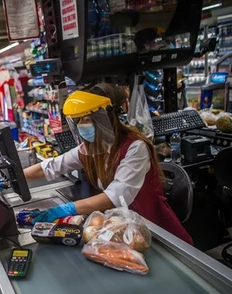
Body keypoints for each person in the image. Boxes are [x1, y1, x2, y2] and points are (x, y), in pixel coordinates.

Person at [22, 83, 193, 245]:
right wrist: (12, 177)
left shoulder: (135, 147)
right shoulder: (91, 147)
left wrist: (63, 210)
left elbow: (116, 196)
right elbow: (52, 166)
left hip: (154, 229)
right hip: (122, 227)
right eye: (79, 120)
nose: (83, 124)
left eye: (88, 118)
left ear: (106, 117)